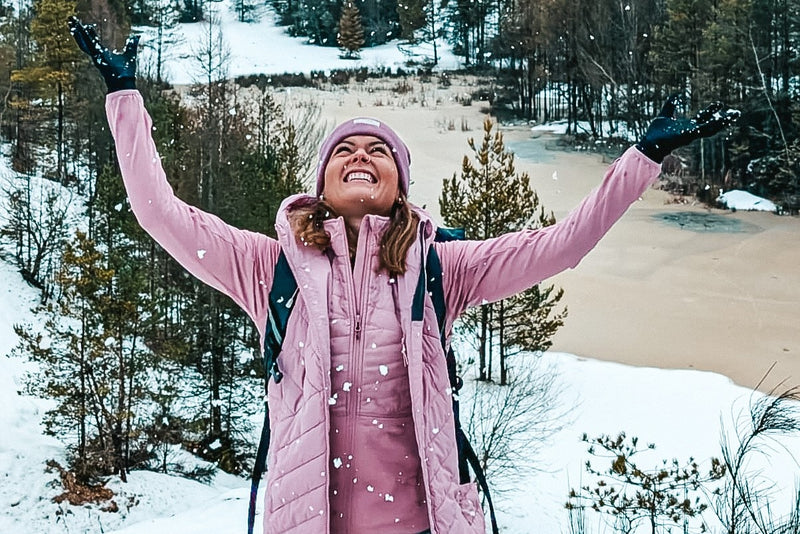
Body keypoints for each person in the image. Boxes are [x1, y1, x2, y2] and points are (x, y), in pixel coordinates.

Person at [68, 17, 738, 534]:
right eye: (345, 150)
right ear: (322, 183)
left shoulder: (442, 268)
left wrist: (642, 158)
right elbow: (158, 212)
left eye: (378, 151)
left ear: (400, 184)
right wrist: (125, 97)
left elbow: (564, 245)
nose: (361, 156)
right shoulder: (269, 268)